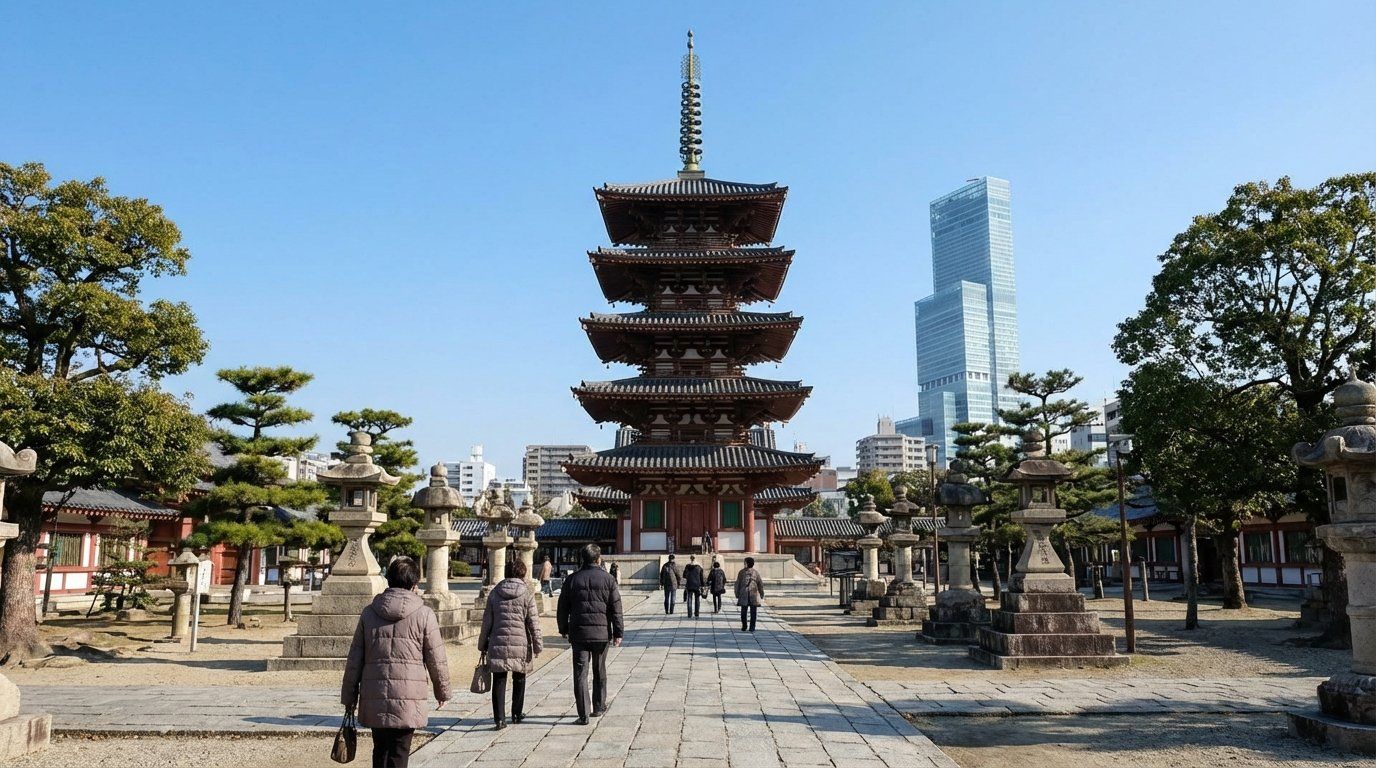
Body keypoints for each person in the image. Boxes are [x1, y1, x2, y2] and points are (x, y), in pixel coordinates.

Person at [342, 557, 450, 768]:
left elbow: (355, 658)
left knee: (380, 748)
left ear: (388, 580)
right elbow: (436, 658)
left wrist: (349, 696)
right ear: (414, 584)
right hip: (409, 694)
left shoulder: (369, 612)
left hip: (376, 692)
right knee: (400, 750)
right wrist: (442, 691)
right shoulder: (424, 614)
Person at [556, 543, 624, 725]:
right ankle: (599, 706)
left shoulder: (572, 580)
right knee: (599, 669)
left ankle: (584, 714)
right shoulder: (608, 580)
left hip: (578, 633)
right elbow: (616, 608)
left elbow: (562, 607)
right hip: (601, 633)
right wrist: (618, 632)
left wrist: (563, 628)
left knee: (580, 673)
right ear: (598, 558)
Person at [478, 559, 543, 730]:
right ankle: (516, 713)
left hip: (497, 640)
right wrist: (537, 645)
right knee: (519, 677)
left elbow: (487, 621)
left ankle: (499, 719)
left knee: (499, 679)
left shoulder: (494, 592)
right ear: (523, 574)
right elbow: (533, 622)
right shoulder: (527, 593)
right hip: (519, 641)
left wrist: (482, 643)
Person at [735, 555, 765, 632]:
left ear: (747, 563)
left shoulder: (741, 572)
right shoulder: (755, 572)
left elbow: (737, 583)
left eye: (745, 562)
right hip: (753, 594)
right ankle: (750, 626)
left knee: (745, 612)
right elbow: (760, 584)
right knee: (751, 612)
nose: (744, 564)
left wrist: (737, 593)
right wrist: (761, 593)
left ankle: (745, 626)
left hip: (745, 594)